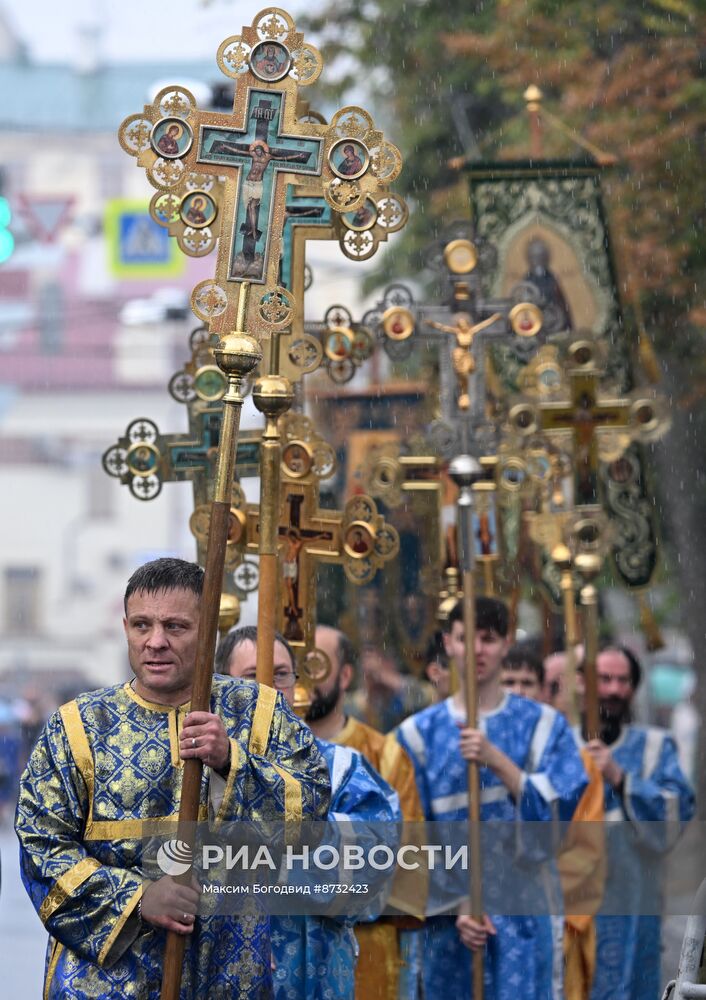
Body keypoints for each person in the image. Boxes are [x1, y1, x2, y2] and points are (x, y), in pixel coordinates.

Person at [15, 558, 331, 999]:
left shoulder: (259, 714)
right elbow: (40, 846)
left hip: (228, 972)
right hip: (105, 985)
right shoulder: (76, 728)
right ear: (125, 626)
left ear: (208, 632)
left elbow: (311, 818)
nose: (156, 642)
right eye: (142, 625)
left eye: (176, 627)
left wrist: (231, 761)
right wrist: (138, 899)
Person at [396, 598, 588, 1000]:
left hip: (525, 916)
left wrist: (499, 763)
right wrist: (457, 904)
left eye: (489, 639)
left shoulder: (544, 726)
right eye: (467, 638)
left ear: (504, 644)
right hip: (449, 923)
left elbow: (563, 808)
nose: (477, 650)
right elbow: (407, 838)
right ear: (449, 643)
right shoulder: (416, 737)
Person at [218, 625, 401, 1000]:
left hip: (317, 981)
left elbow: (373, 869)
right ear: (221, 686)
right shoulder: (199, 775)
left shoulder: (342, 769)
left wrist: (261, 847)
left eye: (281, 674)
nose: (270, 688)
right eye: (253, 677)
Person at [312, 624, 426, 1000]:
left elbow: (405, 856)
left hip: (367, 946)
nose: (303, 679)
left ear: (345, 675)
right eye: (293, 667)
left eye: (316, 665)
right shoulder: (261, 755)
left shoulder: (384, 755)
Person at [575, 645, 695, 1000]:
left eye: (623, 681)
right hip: (572, 914)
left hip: (634, 913)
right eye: (604, 679)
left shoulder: (655, 747)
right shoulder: (558, 743)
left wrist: (620, 778)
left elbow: (675, 813)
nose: (613, 690)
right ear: (582, 683)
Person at [346, 644, 431, 733]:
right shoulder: (353, 703)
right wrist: (369, 693)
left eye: (381, 662)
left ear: (390, 664)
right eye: (367, 671)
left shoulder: (414, 690)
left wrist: (388, 678)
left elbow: (425, 699)